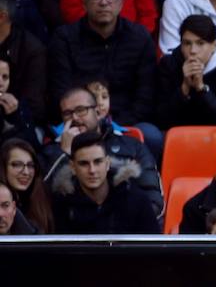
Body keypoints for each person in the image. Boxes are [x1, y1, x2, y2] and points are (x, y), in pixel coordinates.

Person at [48, 0, 157, 135]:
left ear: (121, 3)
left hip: (127, 123)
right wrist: (88, 122)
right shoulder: (64, 38)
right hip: (78, 123)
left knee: (151, 136)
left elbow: (146, 96)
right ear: (84, 3)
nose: (104, 2)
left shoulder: (139, 38)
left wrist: (113, 126)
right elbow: (61, 92)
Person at [42, 86, 162, 216]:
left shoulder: (132, 147)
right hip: (75, 228)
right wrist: (64, 153)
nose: (75, 118)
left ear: (98, 112)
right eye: (67, 114)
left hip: (126, 228)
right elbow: (42, 203)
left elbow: (154, 200)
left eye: (81, 110)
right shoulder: (52, 152)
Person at [51, 132, 160, 234]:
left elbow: (154, 250)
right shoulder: (61, 205)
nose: (92, 170)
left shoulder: (136, 200)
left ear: (107, 163)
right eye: (83, 164)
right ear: (73, 167)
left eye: (98, 162)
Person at [156, 15, 216, 129]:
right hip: (177, 134)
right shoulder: (169, 64)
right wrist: (184, 89)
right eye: (187, 43)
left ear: (214, 45)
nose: (193, 51)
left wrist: (202, 89)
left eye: (200, 43)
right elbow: (160, 119)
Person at [0, 0, 46, 127]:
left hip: (17, 126)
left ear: (1, 16)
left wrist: (16, 110)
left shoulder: (32, 50)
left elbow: (35, 109)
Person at [0, 139, 52, 233]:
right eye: (17, 165)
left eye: (31, 165)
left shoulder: (42, 200)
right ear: (3, 167)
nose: (26, 172)